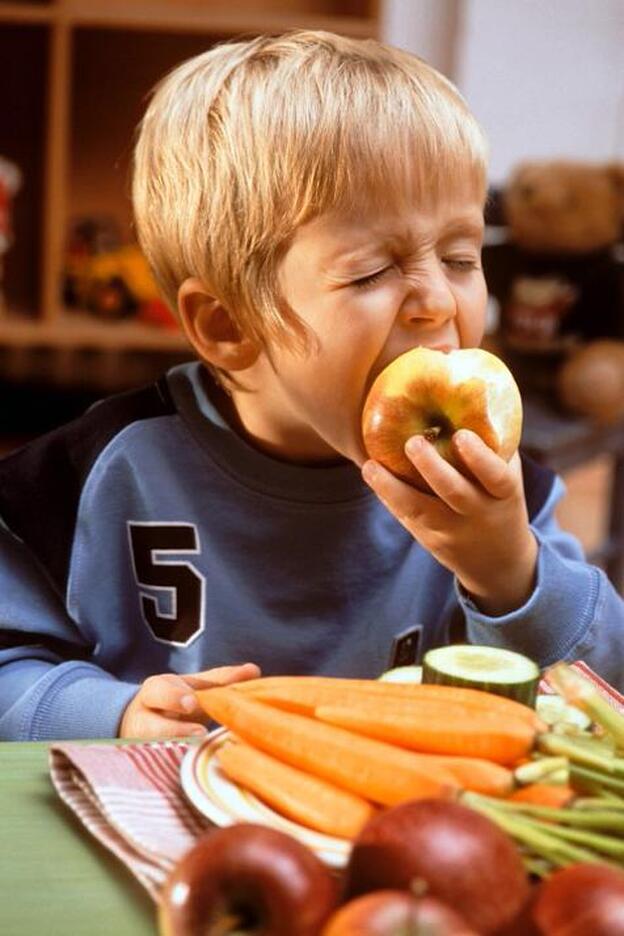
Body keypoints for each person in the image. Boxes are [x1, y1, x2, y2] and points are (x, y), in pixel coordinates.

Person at [1, 31, 622, 742]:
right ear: (229, 324)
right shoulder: (92, 477)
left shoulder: (495, 500)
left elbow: (603, 701)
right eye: (369, 273)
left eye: (460, 256)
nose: (438, 302)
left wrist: (511, 574)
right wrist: (109, 713)